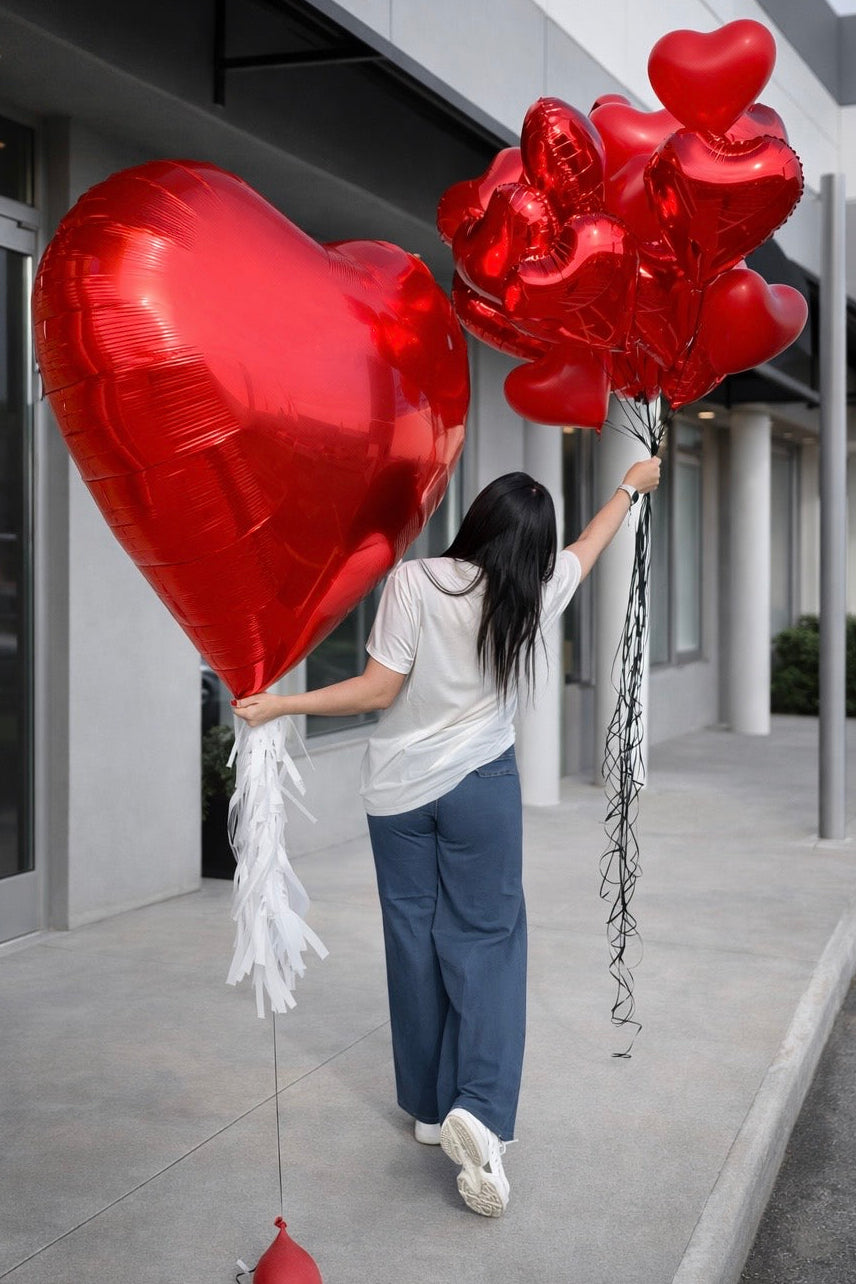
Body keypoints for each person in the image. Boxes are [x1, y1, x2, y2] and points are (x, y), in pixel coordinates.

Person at [233, 458, 661, 1218]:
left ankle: (432, 1112)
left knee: (415, 941)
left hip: (397, 795)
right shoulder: (536, 592)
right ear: (534, 545)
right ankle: (482, 1111)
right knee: (487, 944)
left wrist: (280, 705)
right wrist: (630, 485)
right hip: (480, 792)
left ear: (478, 519)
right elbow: (594, 543)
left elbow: (377, 689)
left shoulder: (417, 581)